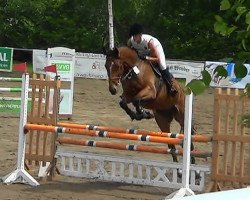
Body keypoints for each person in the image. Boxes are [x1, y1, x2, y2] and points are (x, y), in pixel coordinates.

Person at [127, 23, 177, 95]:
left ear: (140, 35)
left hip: (155, 50)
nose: (134, 38)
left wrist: (146, 58)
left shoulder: (150, 42)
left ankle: (171, 85)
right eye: (133, 36)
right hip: (143, 52)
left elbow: (157, 59)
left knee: (162, 66)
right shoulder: (131, 41)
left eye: (135, 36)